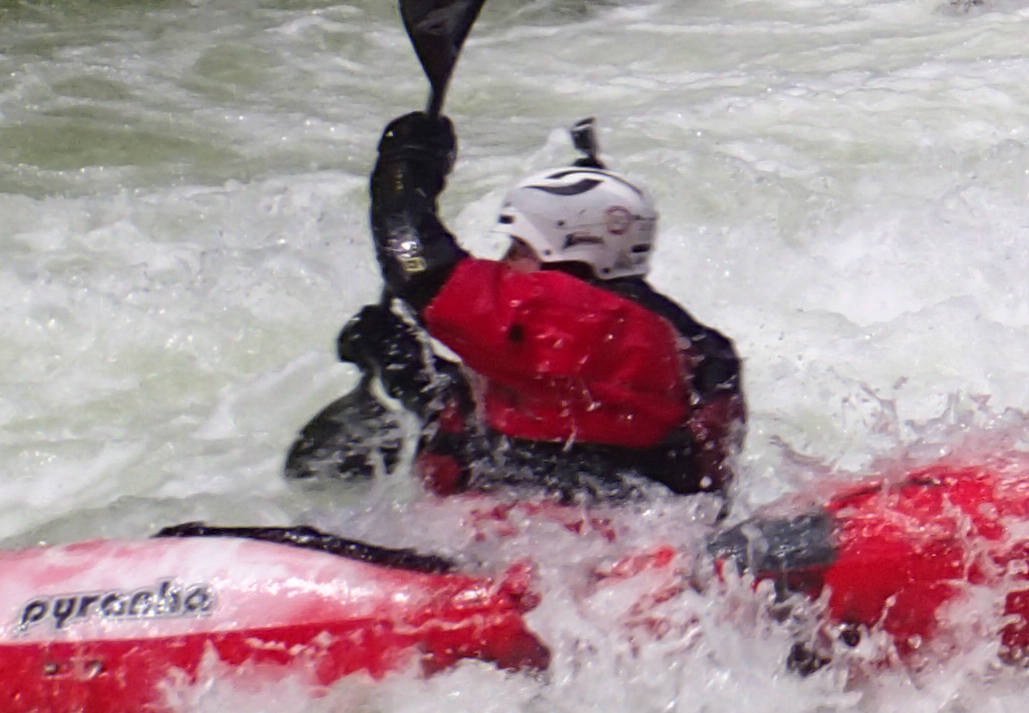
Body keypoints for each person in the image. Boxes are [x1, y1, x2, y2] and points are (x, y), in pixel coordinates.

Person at [287, 116, 744, 502]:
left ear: (567, 248)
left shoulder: (581, 318)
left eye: (518, 247)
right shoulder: (668, 333)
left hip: (552, 548)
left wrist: (404, 170)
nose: (504, 263)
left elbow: (417, 267)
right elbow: (525, 420)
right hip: (604, 532)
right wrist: (404, 365)